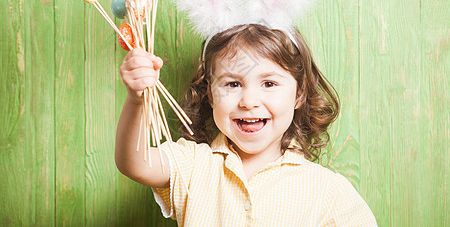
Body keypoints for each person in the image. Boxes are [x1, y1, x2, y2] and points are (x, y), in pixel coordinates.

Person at [115, 23, 378, 226]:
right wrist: (137, 101)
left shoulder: (327, 191)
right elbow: (134, 163)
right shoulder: (194, 164)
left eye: (269, 83)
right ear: (210, 94)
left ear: (299, 94)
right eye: (233, 84)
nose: (249, 101)